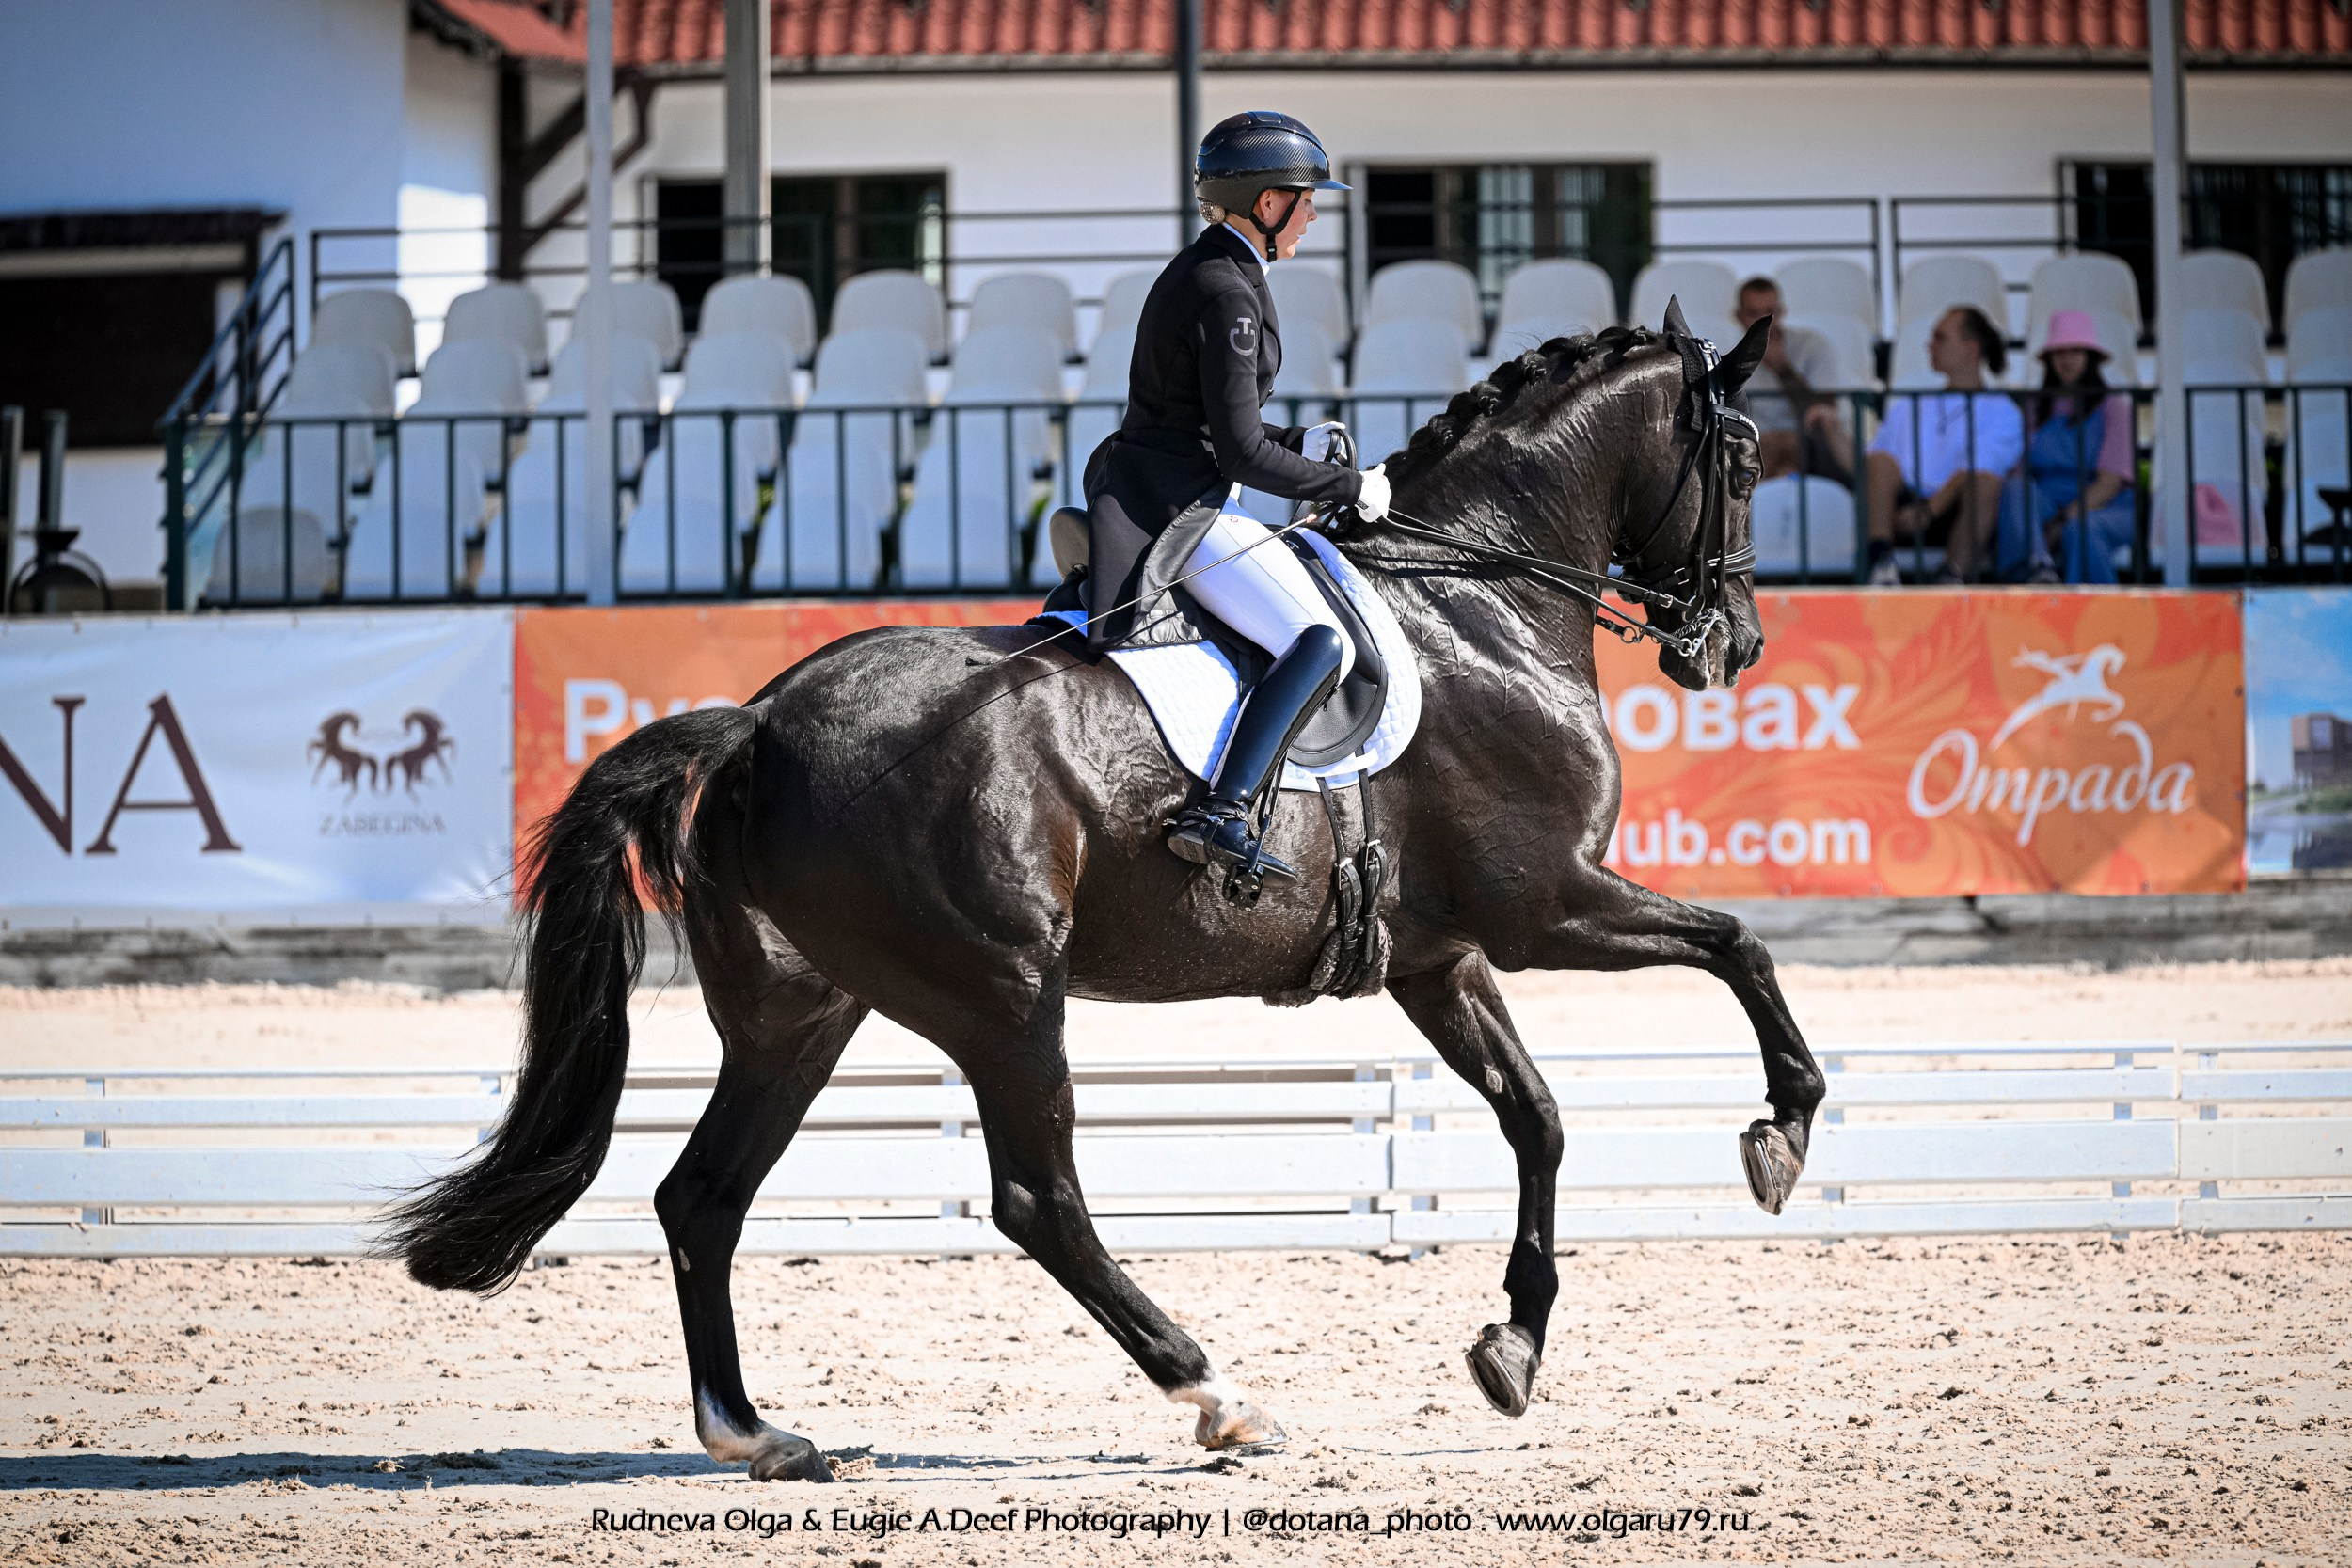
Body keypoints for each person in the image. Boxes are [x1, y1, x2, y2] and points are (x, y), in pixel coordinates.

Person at [1078, 110, 1393, 890]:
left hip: (1158, 475)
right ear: (1265, 204)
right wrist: (1352, 486)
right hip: (1180, 509)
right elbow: (1242, 454)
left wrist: (1302, 442)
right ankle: (1219, 809)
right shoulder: (1228, 292)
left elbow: (1219, 421)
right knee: (1322, 640)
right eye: (1305, 198)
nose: (1314, 213)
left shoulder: (1204, 269)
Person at [1865, 305, 2023, 585]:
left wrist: (1929, 510)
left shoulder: (2003, 410)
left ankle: (1952, 576)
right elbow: (1878, 461)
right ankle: (1881, 562)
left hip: (1958, 510)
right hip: (1904, 507)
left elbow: (1981, 468)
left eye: (1940, 337)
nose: (1930, 345)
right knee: (1879, 461)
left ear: (1970, 348)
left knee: (1986, 482)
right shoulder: (1909, 404)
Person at [1994, 309, 2137, 583]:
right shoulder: (2036, 406)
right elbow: (2019, 471)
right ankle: (2035, 571)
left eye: (2076, 352)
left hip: (2105, 507)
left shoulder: (2113, 407)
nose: (2066, 360)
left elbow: (2109, 483)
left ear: (2090, 358)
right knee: (2014, 491)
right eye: (2059, 352)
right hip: (2048, 501)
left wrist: (2062, 521)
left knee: (2081, 528)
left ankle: (2094, 608)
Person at [1733, 277, 1854, 483]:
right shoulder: (1731, 362)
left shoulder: (1811, 346)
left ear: (1781, 312)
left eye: (1769, 313)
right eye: (1753, 313)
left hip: (1811, 447)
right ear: (1739, 316)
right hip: (1759, 450)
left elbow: (1824, 412)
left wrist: (1783, 370)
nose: (1763, 321)